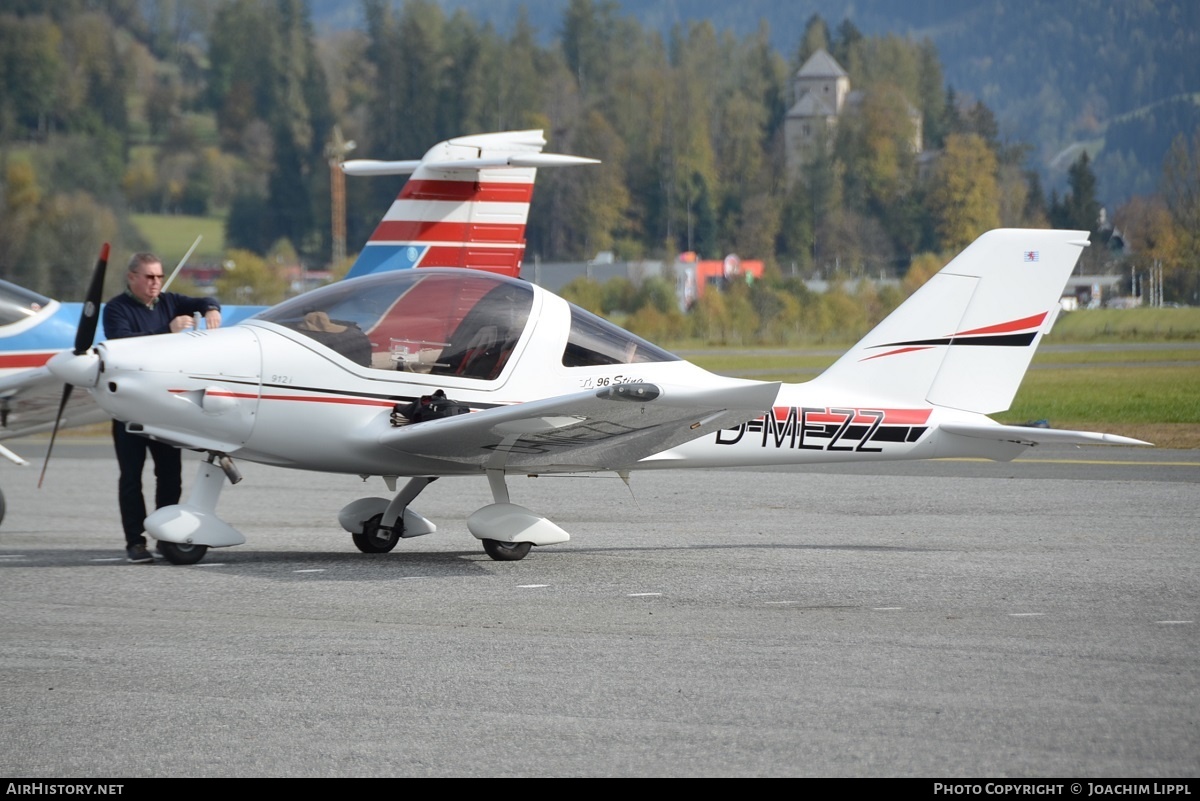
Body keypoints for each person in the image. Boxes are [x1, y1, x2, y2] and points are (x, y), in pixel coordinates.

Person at [102, 252, 222, 563]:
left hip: (163, 410)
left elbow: (204, 297)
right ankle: (135, 542)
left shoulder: (169, 300)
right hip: (129, 410)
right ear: (132, 278)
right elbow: (124, 346)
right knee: (131, 478)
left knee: (170, 476)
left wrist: (211, 308)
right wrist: (167, 333)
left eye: (159, 276)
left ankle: (165, 535)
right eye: (149, 277)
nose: (156, 282)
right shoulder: (116, 309)